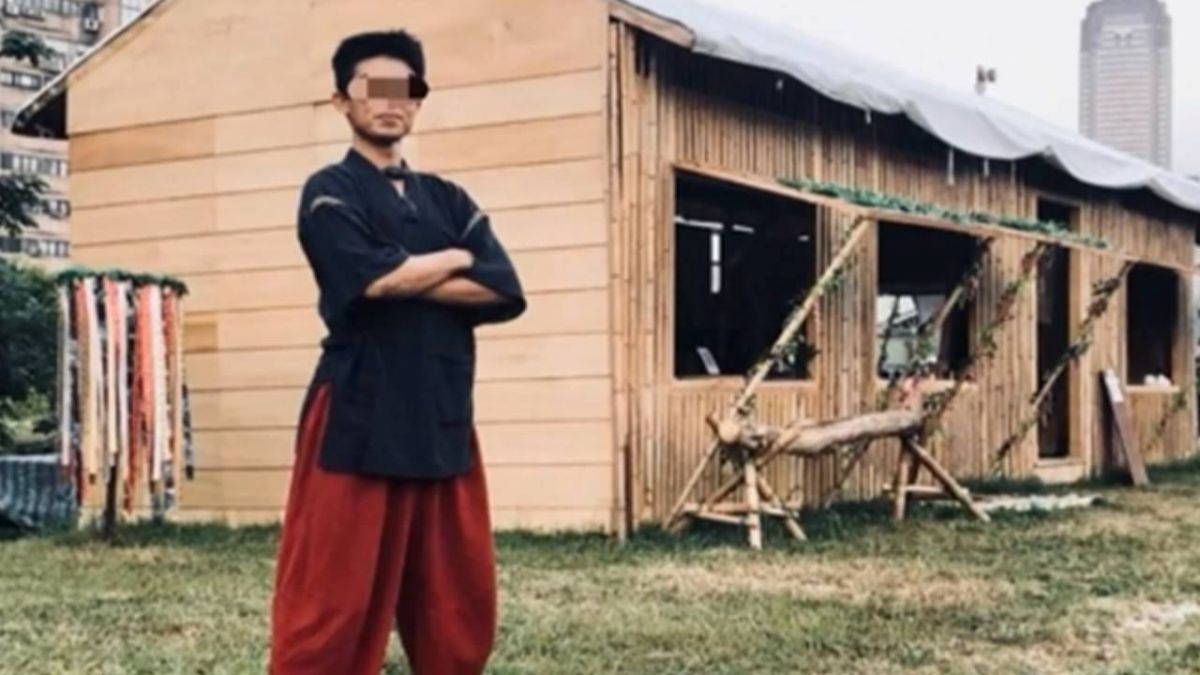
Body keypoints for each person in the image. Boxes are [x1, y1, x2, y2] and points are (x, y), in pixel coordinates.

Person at [269, 29, 526, 675]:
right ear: (341, 101)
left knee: (455, 598)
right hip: (358, 407)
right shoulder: (330, 190)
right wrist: (455, 257)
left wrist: (406, 271)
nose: (390, 102)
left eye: (404, 88)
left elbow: (504, 289)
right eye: (373, 88)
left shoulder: (450, 198)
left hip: (441, 408)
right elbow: (371, 281)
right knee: (332, 597)